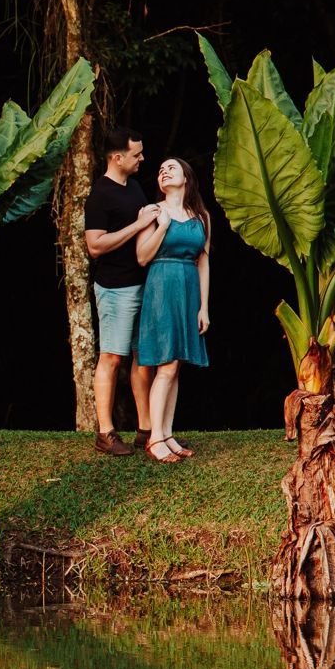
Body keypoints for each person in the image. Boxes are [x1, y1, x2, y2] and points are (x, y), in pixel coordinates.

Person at [83, 127, 157, 456]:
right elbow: (95, 245)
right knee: (112, 358)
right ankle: (106, 433)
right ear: (117, 158)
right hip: (115, 289)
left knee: (144, 359)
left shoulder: (136, 187)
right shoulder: (101, 194)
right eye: (136, 154)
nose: (142, 158)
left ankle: (146, 429)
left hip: (143, 283)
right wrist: (137, 226)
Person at [134, 158, 211, 463]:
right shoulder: (153, 212)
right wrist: (162, 226)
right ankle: (154, 438)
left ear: (186, 178)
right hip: (162, 286)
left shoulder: (201, 217)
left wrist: (204, 306)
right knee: (165, 365)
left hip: (189, 287)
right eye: (160, 168)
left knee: (176, 365)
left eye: (171, 168)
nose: (164, 171)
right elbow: (142, 256)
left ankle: (167, 433)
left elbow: (204, 261)